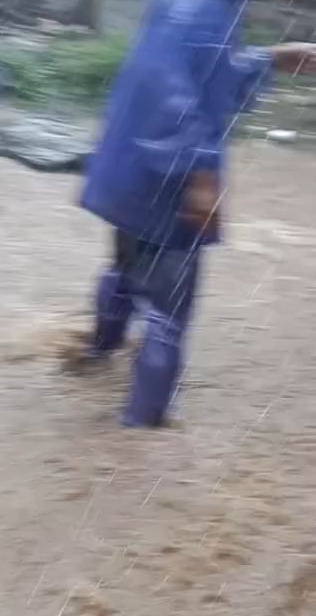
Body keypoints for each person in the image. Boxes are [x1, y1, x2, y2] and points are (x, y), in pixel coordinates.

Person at [77, 0, 316, 427]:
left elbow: (203, 78)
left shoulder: (197, 7)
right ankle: (140, 430)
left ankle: (94, 355)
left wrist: (269, 60)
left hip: (133, 171)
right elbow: (168, 88)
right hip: (165, 182)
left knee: (127, 273)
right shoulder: (206, 9)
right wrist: (200, 171)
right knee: (167, 315)